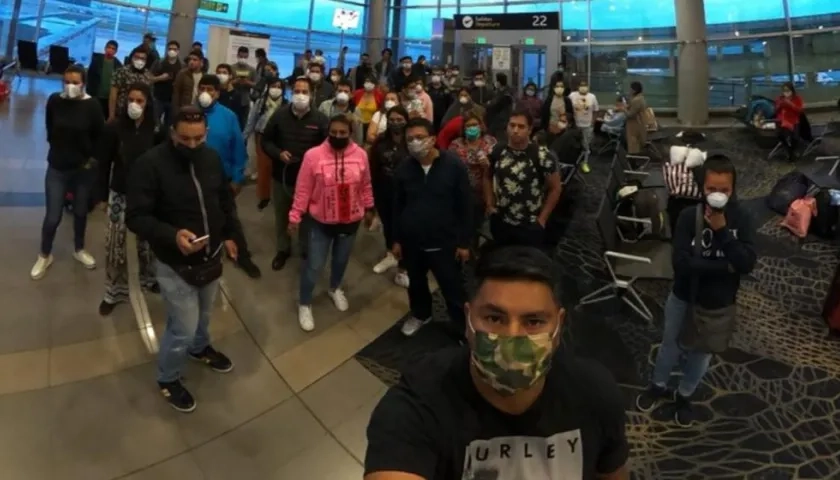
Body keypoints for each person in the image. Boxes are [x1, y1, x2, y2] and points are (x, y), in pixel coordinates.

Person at [364, 246, 630, 480]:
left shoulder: (595, 394)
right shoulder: (415, 408)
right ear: (468, 320)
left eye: (533, 321)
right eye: (494, 318)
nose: (512, 337)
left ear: (559, 326)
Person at [126, 106, 240, 412]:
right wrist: (172, 235)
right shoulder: (149, 165)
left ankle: (200, 349)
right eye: (185, 139)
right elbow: (136, 217)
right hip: (174, 262)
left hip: (211, 255)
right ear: (171, 132)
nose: (192, 146)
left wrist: (230, 235)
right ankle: (168, 377)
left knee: (204, 315)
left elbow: (224, 201)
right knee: (182, 327)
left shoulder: (211, 158)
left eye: (199, 138)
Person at [636, 155, 756, 427]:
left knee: (701, 353)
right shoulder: (689, 217)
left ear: (733, 188)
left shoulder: (742, 218)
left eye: (724, 190)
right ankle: (658, 385)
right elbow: (680, 264)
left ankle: (685, 395)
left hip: (718, 303)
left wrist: (723, 232)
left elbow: (747, 263)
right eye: (712, 189)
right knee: (670, 345)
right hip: (682, 295)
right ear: (702, 188)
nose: (718, 195)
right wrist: (726, 267)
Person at [289, 114, 375, 331]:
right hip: (321, 223)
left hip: (350, 222)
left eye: (342, 133)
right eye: (334, 132)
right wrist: (295, 215)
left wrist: (370, 208)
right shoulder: (313, 156)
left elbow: (365, 184)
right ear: (328, 132)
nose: (338, 136)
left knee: (341, 260)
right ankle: (305, 302)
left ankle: (335, 288)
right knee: (314, 266)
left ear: (351, 133)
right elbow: (303, 189)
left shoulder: (361, 155)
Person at [392, 117, 472, 338]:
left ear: (433, 139)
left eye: (420, 137)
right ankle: (420, 314)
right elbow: (397, 205)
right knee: (416, 284)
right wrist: (396, 239)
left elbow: (465, 205)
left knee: (452, 287)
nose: (415, 143)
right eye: (410, 139)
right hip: (412, 242)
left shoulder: (453, 166)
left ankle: (461, 327)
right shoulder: (404, 169)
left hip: (445, 242)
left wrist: (465, 242)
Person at [31, 64, 105, 280]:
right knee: (53, 217)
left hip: (82, 171)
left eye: (76, 82)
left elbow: (100, 137)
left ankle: (79, 249)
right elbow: (49, 127)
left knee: (81, 212)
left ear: (83, 83)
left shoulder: (92, 106)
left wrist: (91, 161)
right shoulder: (55, 100)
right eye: (67, 81)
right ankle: (44, 255)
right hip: (57, 167)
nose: (71, 86)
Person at [97, 82, 161, 314]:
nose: (135, 105)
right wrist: (102, 196)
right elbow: (103, 163)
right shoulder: (114, 127)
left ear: (147, 103)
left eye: (140, 101)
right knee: (115, 242)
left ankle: (150, 279)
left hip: (147, 195)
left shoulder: (155, 129)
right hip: (120, 192)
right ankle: (113, 292)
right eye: (131, 100)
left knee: (148, 242)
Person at [195, 74, 261, 278]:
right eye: (202, 88)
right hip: (192, 176)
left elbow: (238, 149)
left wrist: (237, 177)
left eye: (210, 89)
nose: (206, 93)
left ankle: (243, 256)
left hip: (222, 177)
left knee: (229, 217)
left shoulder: (228, 116)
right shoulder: (188, 114)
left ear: (217, 92)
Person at [261, 77, 329, 270]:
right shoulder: (279, 116)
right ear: (291, 93)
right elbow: (266, 141)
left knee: (307, 218)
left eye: (304, 92)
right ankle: (283, 249)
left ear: (312, 94)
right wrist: (278, 153)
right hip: (282, 176)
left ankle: (305, 249)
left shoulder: (321, 120)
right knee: (282, 214)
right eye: (297, 91)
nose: (300, 96)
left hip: (310, 181)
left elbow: (327, 149)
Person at [484, 110, 562, 249]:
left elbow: (555, 188)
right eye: (512, 125)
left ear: (530, 130)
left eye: (521, 127)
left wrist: (542, 219)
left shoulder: (542, 156)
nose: (515, 130)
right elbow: (487, 177)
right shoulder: (497, 151)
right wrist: (490, 204)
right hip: (501, 220)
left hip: (529, 224)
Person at [369, 105, 410, 287]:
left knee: (405, 231)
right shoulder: (380, 142)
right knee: (388, 227)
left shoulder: (412, 141)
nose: (395, 123)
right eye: (392, 120)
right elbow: (373, 168)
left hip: (407, 195)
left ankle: (403, 268)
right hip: (384, 193)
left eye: (399, 120)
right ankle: (390, 255)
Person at [449, 111, 497, 247]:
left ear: (481, 126)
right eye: (468, 126)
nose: (472, 128)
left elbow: (498, 166)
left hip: (485, 195)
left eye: (475, 125)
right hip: (462, 195)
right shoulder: (456, 145)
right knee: (464, 230)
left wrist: (489, 165)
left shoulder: (490, 142)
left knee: (481, 231)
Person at [244, 76, 286, 211]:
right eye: (273, 86)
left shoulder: (286, 104)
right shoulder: (261, 103)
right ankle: (264, 196)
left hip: (279, 138)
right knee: (264, 167)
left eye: (279, 87)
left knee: (277, 168)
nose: (276, 90)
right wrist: (244, 136)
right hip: (261, 136)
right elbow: (251, 120)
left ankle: (277, 196)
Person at [109, 45, 150, 121]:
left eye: (142, 58)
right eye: (137, 57)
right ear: (132, 58)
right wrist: (111, 115)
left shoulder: (147, 75)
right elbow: (113, 95)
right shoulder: (122, 71)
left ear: (146, 61)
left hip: (139, 115)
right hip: (121, 114)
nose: (139, 60)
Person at [319, 79, 364, 145]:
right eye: (340, 91)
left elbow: (359, 136)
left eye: (346, 91)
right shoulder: (325, 105)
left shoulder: (356, 111)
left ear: (351, 95)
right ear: (335, 93)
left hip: (345, 145)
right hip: (325, 143)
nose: (342, 94)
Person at [150, 40, 182, 129]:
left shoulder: (182, 67)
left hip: (173, 100)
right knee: (155, 123)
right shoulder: (159, 63)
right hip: (158, 98)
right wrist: (160, 78)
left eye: (174, 49)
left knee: (170, 126)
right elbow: (148, 79)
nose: (172, 51)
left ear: (178, 51)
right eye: (170, 49)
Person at [85, 39, 121, 117]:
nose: (110, 50)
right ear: (105, 48)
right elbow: (90, 77)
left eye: (113, 49)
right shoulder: (96, 61)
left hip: (109, 99)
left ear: (116, 51)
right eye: (109, 47)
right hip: (95, 96)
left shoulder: (118, 65)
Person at [568, 79, 598, 171]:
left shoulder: (592, 97)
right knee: (573, 144)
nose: (583, 87)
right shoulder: (572, 95)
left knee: (585, 145)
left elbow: (596, 110)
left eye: (585, 85)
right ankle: (573, 162)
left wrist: (593, 123)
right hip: (575, 125)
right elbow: (567, 107)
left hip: (587, 125)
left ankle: (584, 162)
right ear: (578, 87)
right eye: (581, 85)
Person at [539, 78, 575, 150]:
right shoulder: (549, 99)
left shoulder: (567, 100)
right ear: (553, 88)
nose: (559, 89)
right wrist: (546, 128)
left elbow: (570, 115)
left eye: (561, 87)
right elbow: (544, 115)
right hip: (550, 130)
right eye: (557, 87)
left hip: (563, 131)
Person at [774, 81, 804, 161]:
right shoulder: (780, 99)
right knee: (781, 135)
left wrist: (791, 104)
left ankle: (791, 151)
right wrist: (780, 105)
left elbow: (800, 110)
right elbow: (776, 111)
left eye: (788, 91)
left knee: (795, 138)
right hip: (782, 121)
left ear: (792, 91)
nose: (786, 93)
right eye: (784, 91)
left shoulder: (797, 98)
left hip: (794, 121)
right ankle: (789, 151)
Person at [214, 63, 249, 130]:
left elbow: (238, 117)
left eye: (224, 73)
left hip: (228, 128)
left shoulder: (236, 94)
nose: (221, 75)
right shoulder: (213, 92)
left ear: (230, 76)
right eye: (218, 73)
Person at [172, 50, 205, 116]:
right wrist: (176, 111)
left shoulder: (204, 76)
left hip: (199, 108)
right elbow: (176, 94)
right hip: (185, 108)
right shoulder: (182, 74)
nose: (191, 62)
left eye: (195, 60)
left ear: (201, 62)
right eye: (190, 59)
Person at [353, 74, 383, 141]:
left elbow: (381, 110)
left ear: (374, 84)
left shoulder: (379, 95)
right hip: (358, 124)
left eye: (371, 82)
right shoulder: (357, 93)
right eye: (367, 81)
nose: (368, 83)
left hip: (371, 125)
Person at [485, 72, 514, 140]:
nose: (495, 83)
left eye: (496, 81)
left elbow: (495, 106)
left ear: (499, 82)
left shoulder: (506, 95)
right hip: (495, 122)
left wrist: (489, 104)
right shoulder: (499, 92)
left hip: (500, 124)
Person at [426, 66, 452, 132]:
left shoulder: (446, 90)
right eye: (434, 74)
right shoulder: (427, 89)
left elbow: (450, 105)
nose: (436, 76)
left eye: (438, 74)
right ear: (431, 76)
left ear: (441, 76)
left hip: (442, 118)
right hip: (429, 117)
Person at [625, 81, 648, 155]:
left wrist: (623, 109)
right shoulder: (639, 98)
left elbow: (630, 114)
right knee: (634, 143)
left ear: (634, 90)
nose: (629, 91)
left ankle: (633, 163)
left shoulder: (637, 100)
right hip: (638, 124)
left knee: (633, 144)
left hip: (635, 125)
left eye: (630, 89)